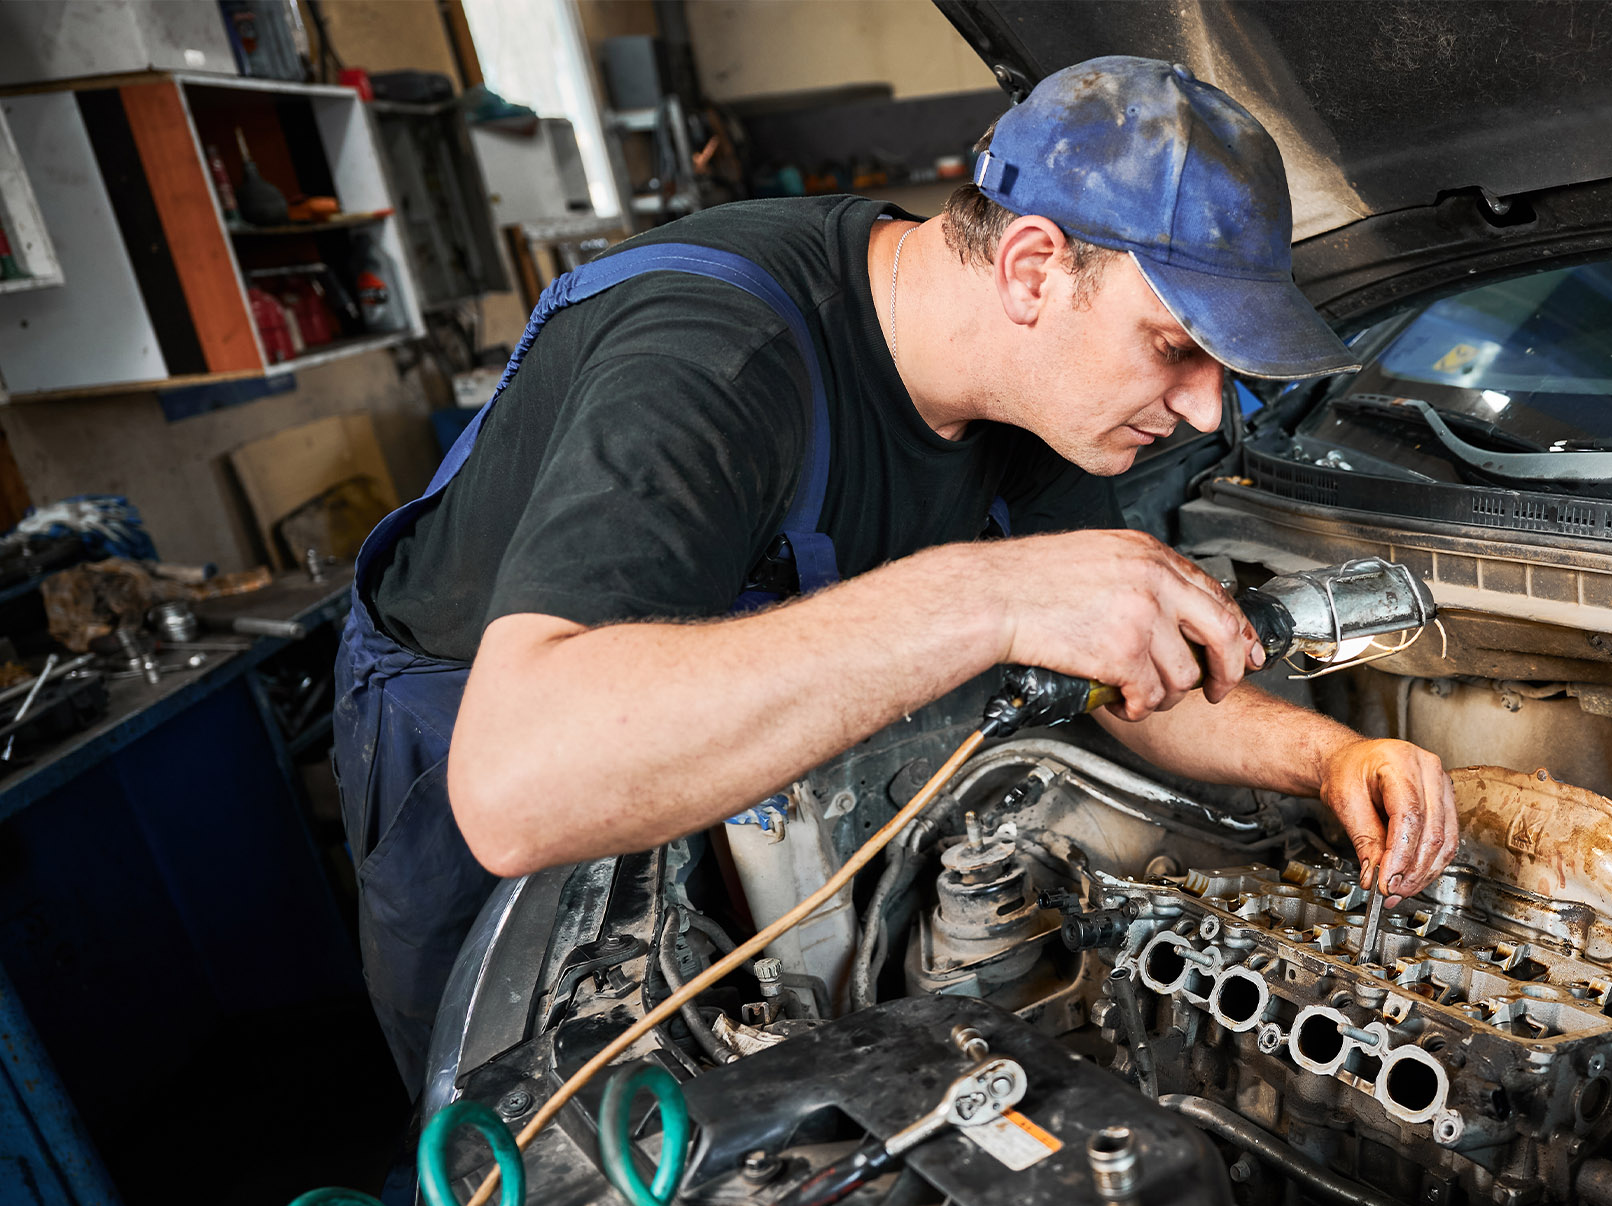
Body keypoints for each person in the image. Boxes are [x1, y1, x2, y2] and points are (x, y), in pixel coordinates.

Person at [335, 56, 1460, 1085]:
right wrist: (991, 596)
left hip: (755, 791)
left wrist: (1330, 757)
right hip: (474, 739)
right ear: (1031, 268)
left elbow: (1128, 680)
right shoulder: (714, 351)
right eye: (1176, 348)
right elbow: (516, 789)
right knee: (500, 1165)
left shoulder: (1044, 407)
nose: (1206, 410)